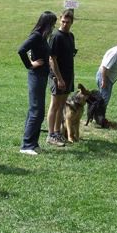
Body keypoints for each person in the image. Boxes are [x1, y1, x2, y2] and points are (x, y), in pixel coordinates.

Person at [17, 11, 57, 155]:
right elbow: (21, 50)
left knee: (36, 110)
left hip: (42, 76)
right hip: (36, 76)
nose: (54, 26)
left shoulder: (42, 37)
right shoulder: (36, 36)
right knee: (36, 110)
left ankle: (32, 143)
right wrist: (31, 64)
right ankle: (26, 146)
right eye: (52, 23)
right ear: (46, 23)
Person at [46, 9, 76, 147]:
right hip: (57, 76)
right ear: (59, 19)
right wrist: (59, 78)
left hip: (68, 75)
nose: (65, 24)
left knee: (62, 106)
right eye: (63, 21)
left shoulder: (70, 36)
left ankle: (57, 133)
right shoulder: (55, 36)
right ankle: (50, 134)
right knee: (55, 105)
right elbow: (52, 59)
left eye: (68, 22)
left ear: (72, 22)